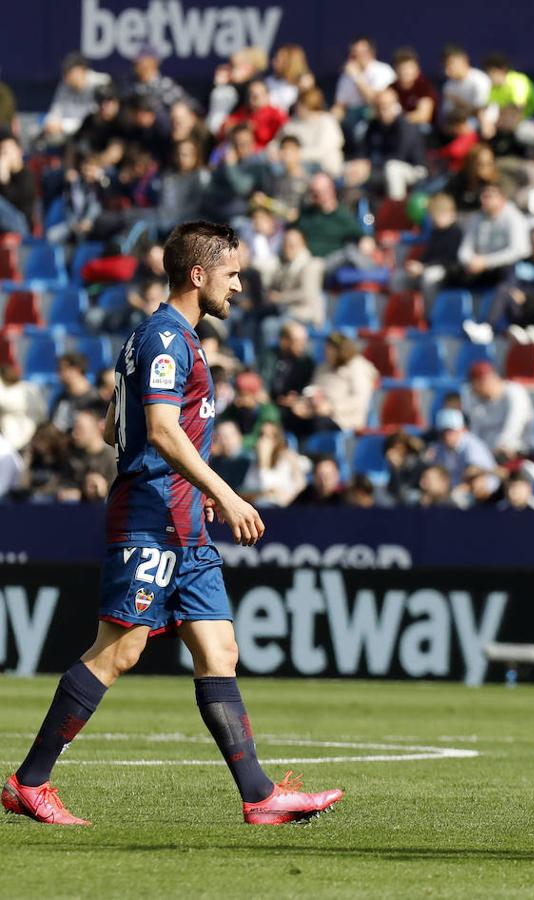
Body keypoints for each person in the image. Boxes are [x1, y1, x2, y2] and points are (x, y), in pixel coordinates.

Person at [3, 221, 341, 827]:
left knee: (220, 648)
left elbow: (115, 426)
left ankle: (260, 797)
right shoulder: (166, 339)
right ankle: (31, 781)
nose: (239, 285)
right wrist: (225, 492)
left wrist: (193, 483)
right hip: (151, 518)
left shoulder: (162, 338)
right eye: (232, 273)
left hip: (184, 521)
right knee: (122, 649)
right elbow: (158, 430)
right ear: (198, 274)